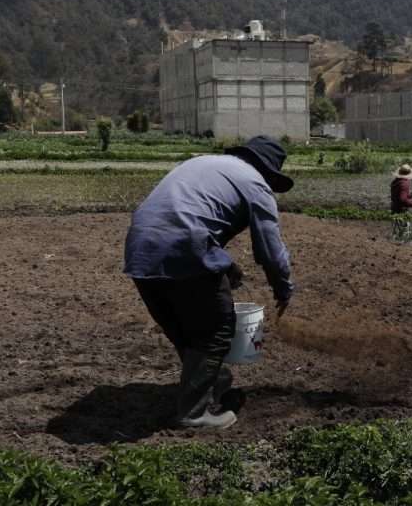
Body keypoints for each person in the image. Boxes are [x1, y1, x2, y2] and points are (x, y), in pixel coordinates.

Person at [123, 135, 294, 430]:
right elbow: (270, 248)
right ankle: (193, 413)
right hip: (184, 247)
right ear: (268, 171)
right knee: (216, 329)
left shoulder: (203, 163)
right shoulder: (255, 184)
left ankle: (210, 382)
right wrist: (283, 287)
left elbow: (188, 216)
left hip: (139, 250)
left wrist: (224, 264)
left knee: (184, 329)